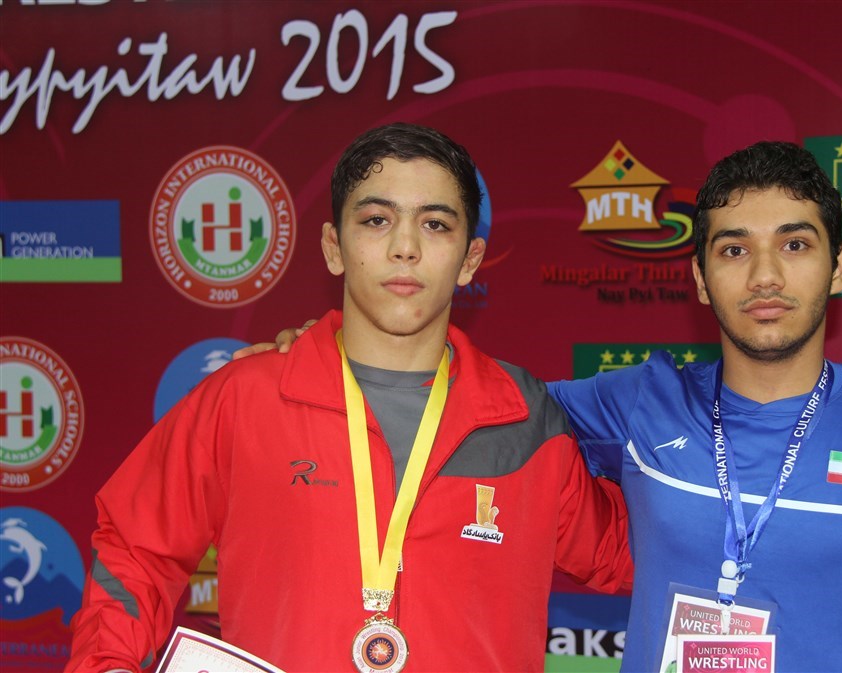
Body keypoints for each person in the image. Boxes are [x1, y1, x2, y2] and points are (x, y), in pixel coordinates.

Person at [259, 141, 842, 672]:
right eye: (734, 249)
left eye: (796, 245)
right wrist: (329, 353)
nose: (766, 276)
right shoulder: (641, 400)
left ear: (839, 265)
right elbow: (457, 401)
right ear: (700, 277)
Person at [67, 123, 632, 673]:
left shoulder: (524, 418)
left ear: (469, 260)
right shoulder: (244, 399)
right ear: (334, 247)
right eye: (377, 220)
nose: (405, 247)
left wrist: (684, 430)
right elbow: (135, 546)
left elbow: (626, 556)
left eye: (435, 224)